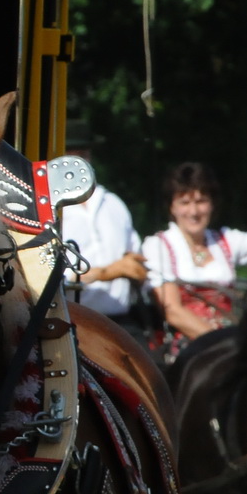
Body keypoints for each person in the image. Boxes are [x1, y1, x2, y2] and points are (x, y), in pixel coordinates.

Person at [140, 160, 247, 360]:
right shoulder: (159, 245)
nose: (193, 212)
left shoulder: (224, 240)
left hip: (230, 343)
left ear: (212, 204)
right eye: (184, 202)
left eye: (201, 201)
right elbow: (173, 311)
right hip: (184, 349)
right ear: (172, 207)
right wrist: (225, 344)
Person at [57, 124, 151, 337]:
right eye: (70, 155)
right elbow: (45, 278)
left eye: (82, 154)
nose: (77, 162)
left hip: (121, 323)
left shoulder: (113, 204)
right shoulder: (47, 209)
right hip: (70, 324)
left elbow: (135, 259)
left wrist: (140, 271)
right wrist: (105, 273)